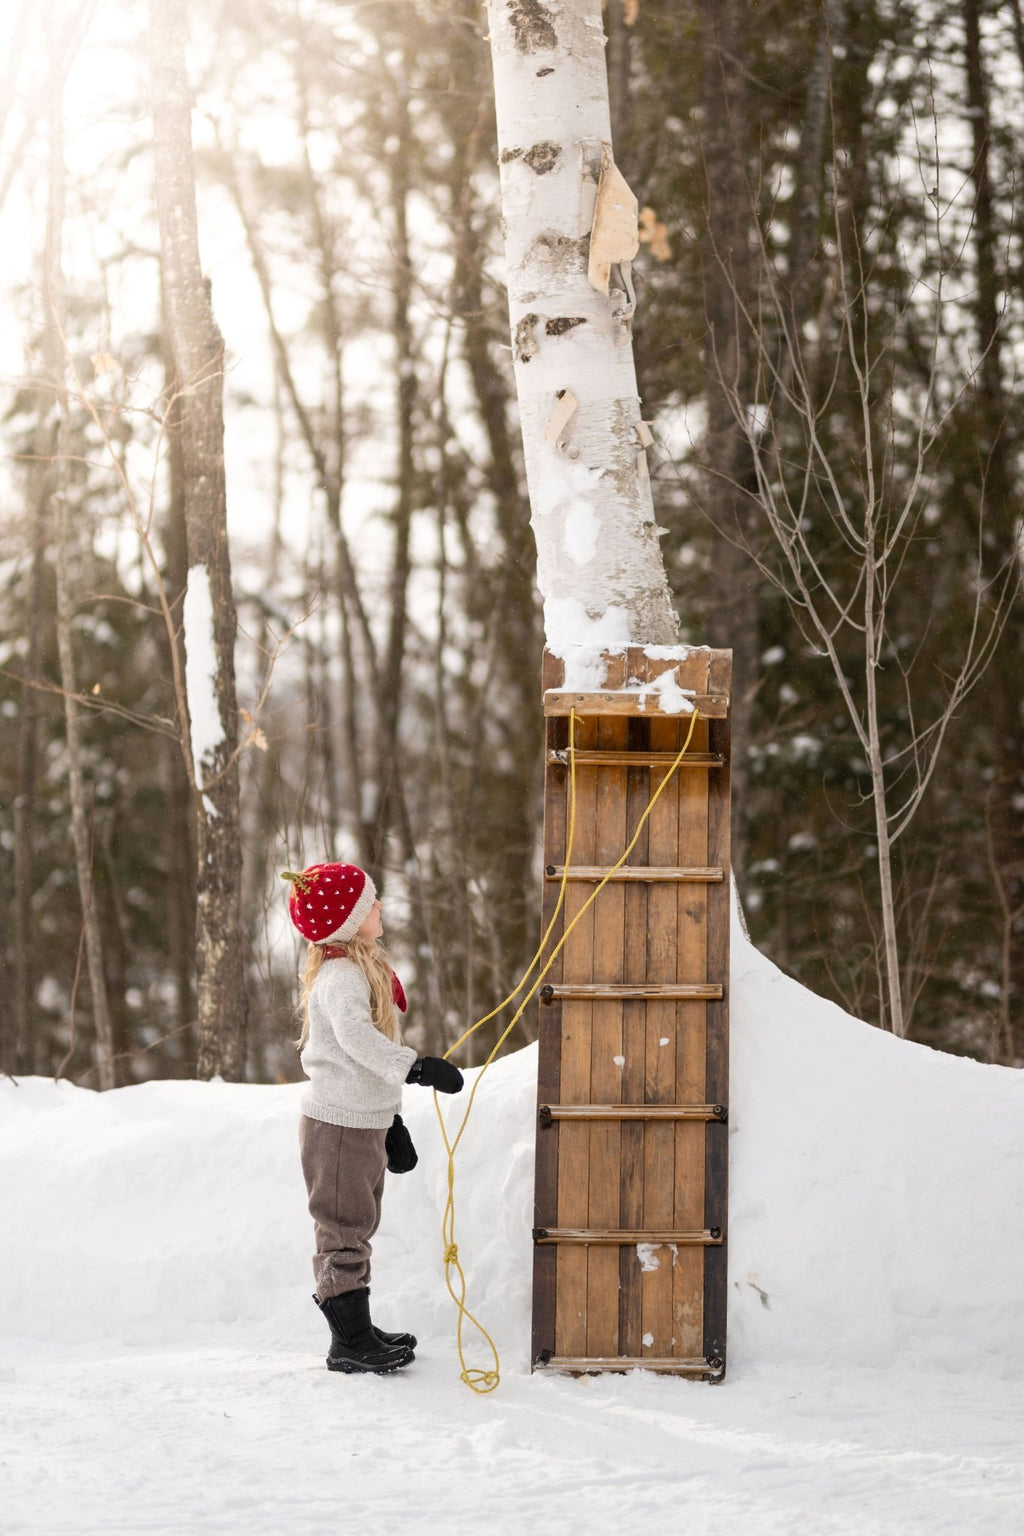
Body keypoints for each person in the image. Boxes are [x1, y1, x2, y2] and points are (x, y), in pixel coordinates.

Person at [282, 860, 464, 1375]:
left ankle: (356, 1327)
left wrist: (391, 1122)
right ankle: (349, 1343)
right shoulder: (340, 977)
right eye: (369, 903)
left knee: (360, 1224)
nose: (379, 907)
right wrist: (417, 1068)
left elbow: (358, 1067)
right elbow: (356, 1043)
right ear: (345, 919)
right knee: (342, 1230)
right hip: (337, 1128)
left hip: (361, 1122)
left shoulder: (355, 969)